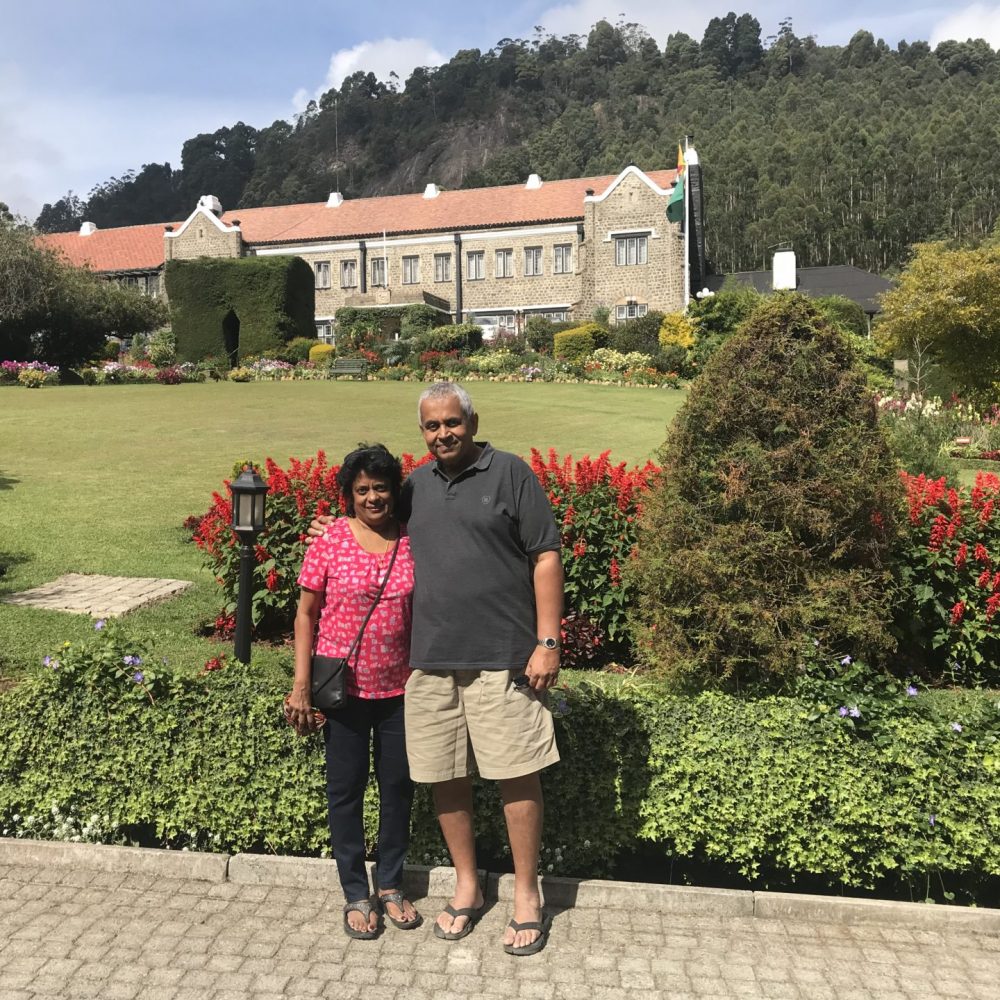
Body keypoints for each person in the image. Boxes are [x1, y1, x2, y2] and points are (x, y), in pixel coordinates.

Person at [310, 382, 563, 956]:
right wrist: (323, 532)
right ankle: (468, 886)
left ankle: (527, 896)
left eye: (452, 422)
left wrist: (548, 640)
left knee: (515, 773)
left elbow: (545, 553)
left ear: (472, 421)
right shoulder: (416, 487)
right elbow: (368, 517)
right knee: (445, 776)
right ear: (421, 432)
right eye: (431, 426)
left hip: (503, 656)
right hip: (426, 664)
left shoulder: (512, 474)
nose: (443, 433)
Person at [287, 444, 422, 939]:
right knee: (345, 791)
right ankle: (354, 892)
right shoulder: (331, 540)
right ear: (349, 494)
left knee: (397, 789)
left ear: (394, 491)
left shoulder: (412, 540)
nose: (372, 497)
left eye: (380, 488)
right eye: (362, 489)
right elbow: (305, 613)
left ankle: (389, 884)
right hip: (342, 691)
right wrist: (301, 684)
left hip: (400, 690)